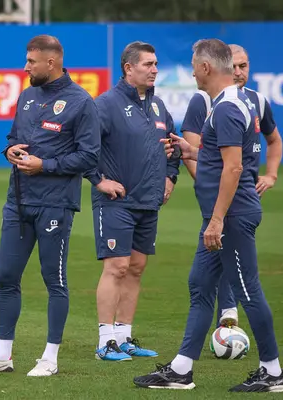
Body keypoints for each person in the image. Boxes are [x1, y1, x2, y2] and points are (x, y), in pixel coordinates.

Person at [133, 39, 283, 393]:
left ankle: (274, 373)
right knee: (200, 285)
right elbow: (223, 156)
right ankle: (181, 370)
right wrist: (193, 150)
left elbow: (234, 169)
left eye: (193, 65)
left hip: (231, 216)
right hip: (223, 216)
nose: (190, 72)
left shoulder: (226, 108)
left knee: (248, 292)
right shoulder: (227, 105)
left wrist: (217, 220)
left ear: (206, 68)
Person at [0, 35, 100, 377]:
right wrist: (9, 151)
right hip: (18, 202)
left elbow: (89, 157)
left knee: (54, 280)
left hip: (55, 205)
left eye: (31, 62)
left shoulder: (81, 102)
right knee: (5, 276)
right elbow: (14, 139)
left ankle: (50, 358)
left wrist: (45, 166)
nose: (25, 68)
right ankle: (2, 356)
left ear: (51, 63)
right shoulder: (26, 96)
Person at [86, 41, 180, 362]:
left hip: (147, 202)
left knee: (137, 268)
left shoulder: (158, 107)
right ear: (129, 68)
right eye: (148, 64)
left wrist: (170, 177)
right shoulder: (106, 105)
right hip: (116, 202)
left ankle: (124, 337)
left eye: (155, 64)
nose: (154, 70)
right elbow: (85, 148)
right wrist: (100, 180)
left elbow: (174, 146)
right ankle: (105, 342)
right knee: (117, 267)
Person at [181, 44, 283, 328]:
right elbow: (195, 149)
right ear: (222, 65)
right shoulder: (202, 101)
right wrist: (207, 183)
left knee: (231, 268)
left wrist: (271, 175)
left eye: (244, 66)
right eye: (234, 66)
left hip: (238, 201)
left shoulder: (256, 101)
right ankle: (190, 356)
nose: (238, 72)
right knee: (205, 278)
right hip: (219, 197)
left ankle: (263, 357)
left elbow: (270, 142)